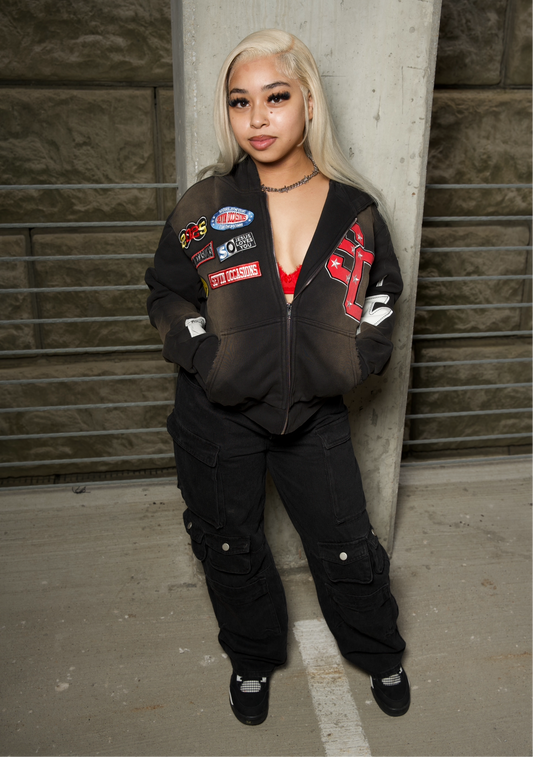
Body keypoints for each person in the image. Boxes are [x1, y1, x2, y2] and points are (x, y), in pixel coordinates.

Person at [146, 28, 409, 725]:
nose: (256, 118)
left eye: (276, 97)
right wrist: (207, 358)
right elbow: (167, 292)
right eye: (240, 102)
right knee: (228, 543)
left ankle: (379, 652)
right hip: (217, 415)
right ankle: (252, 657)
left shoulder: (354, 211)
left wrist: (361, 355)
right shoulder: (205, 206)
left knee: (346, 542)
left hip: (313, 414)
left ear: (309, 103)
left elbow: (383, 291)